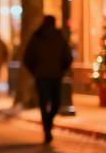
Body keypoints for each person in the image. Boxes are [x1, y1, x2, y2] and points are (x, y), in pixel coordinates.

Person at [23, 16, 73, 144]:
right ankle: (47, 128)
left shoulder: (57, 37)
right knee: (47, 103)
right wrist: (36, 71)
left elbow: (67, 55)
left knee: (53, 103)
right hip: (45, 76)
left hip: (52, 75)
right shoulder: (39, 38)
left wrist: (62, 68)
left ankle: (47, 124)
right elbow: (28, 57)